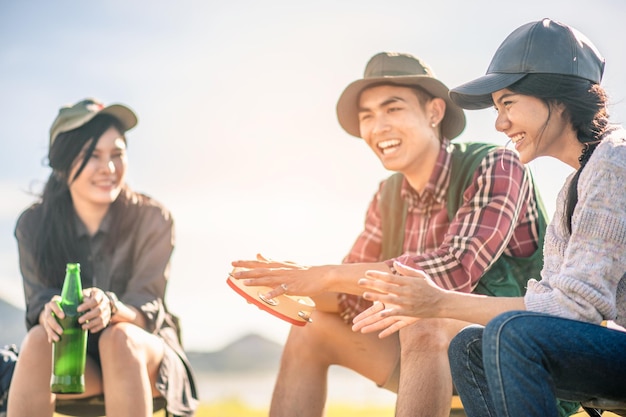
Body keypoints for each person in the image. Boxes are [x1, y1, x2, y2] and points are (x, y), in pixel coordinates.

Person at [231, 52, 548, 417]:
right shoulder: (386, 196)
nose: (377, 126)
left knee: (424, 316)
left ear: (434, 113)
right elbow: (352, 300)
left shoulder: (495, 164)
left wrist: (327, 273)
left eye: (392, 109)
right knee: (311, 329)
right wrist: (286, 285)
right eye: (367, 116)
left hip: (514, 356)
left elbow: (454, 270)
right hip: (426, 356)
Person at [352, 18, 626, 417]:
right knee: (470, 346)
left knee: (509, 332)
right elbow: (552, 297)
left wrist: (441, 301)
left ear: (557, 96)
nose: (500, 124)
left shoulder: (614, 161)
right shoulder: (574, 186)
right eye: (497, 108)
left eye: (508, 104)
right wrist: (437, 304)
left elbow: (576, 310)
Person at [8, 98, 198, 417]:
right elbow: (38, 305)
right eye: (92, 156)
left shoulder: (152, 218)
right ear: (64, 163)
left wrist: (110, 307)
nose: (108, 168)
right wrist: (49, 313)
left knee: (118, 338)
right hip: (77, 363)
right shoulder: (33, 225)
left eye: (117, 154)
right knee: (40, 339)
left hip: (144, 354)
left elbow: (147, 309)